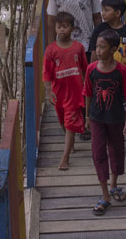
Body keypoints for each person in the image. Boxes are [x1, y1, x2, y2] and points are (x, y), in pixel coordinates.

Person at [47, 0, 102, 139]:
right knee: (70, 84)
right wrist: (51, 45)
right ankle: (73, 121)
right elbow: (51, 20)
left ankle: (87, 122)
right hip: (64, 45)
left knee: (86, 83)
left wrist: (100, 42)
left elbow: (97, 17)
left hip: (86, 43)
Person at [83, 29, 126, 215]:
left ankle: (114, 184)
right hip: (97, 118)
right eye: (97, 47)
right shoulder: (91, 69)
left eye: (102, 47)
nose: (98, 50)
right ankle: (105, 195)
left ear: (113, 49)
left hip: (116, 118)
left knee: (116, 150)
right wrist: (87, 117)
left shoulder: (122, 71)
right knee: (98, 153)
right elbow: (87, 93)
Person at [42, 11, 87, 170]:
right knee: (62, 121)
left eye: (65, 26)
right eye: (59, 27)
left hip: (75, 92)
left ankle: (65, 157)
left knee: (70, 121)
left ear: (72, 28)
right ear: (55, 28)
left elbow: (84, 68)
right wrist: (48, 90)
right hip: (58, 92)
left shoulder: (78, 48)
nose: (62, 30)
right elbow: (46, 72)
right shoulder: (51, 50)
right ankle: (71, 141)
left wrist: (86, 88)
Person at [88, 0, 126, 90]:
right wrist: (93, 72)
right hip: (103, 75)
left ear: (117, 13)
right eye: (102, 10)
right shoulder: (100, 29)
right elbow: (94, 51)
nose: (103, 13)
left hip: (124, 76)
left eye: (106, 10)